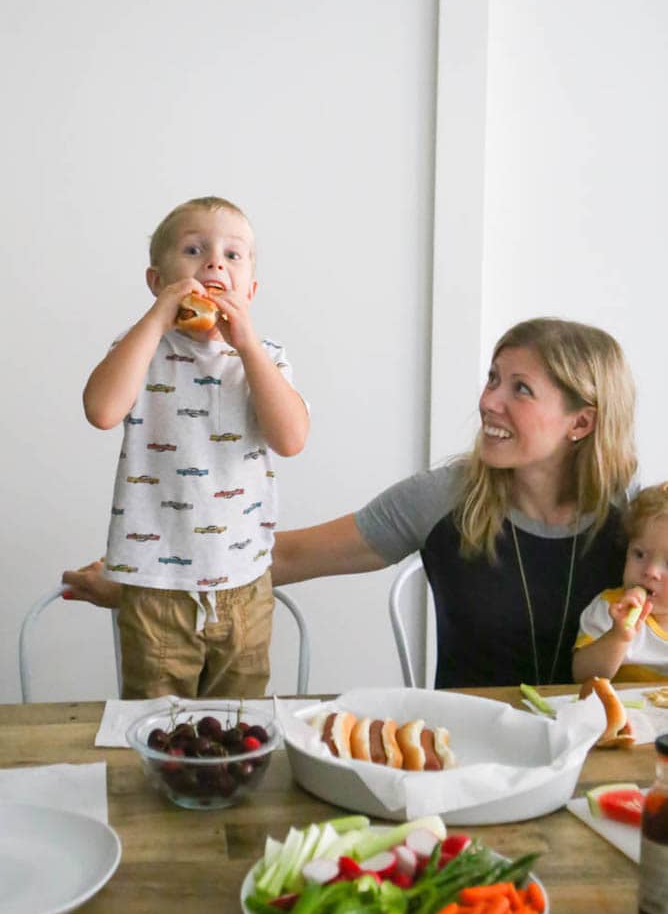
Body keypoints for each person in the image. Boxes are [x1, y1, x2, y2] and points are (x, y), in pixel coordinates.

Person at [67, 317, 635, 689]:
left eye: (521, 389)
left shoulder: (637, 521)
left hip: (605, 752)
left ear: (581, 422)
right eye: (493, 379)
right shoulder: (443, 497)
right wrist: (145, 581)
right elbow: (284, 557)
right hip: (467, 747)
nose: (489, 401)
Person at [83, 196, 309, 700]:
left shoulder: (265, 358)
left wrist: (247, 347)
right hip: (156, 585)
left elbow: (291, 439)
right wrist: (156, 320)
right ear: (156, 281)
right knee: (157, 726)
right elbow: (101, 410)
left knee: (240, 722)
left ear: (249, 289)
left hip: (247, 585)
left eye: (233, 255)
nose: (214, 263)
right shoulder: (139, 349)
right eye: (194, 250)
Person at [573, 482, 668, 684]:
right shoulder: (612, 609)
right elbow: (582, 676)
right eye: (639, 554)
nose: (650, 571)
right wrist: (617, 637)